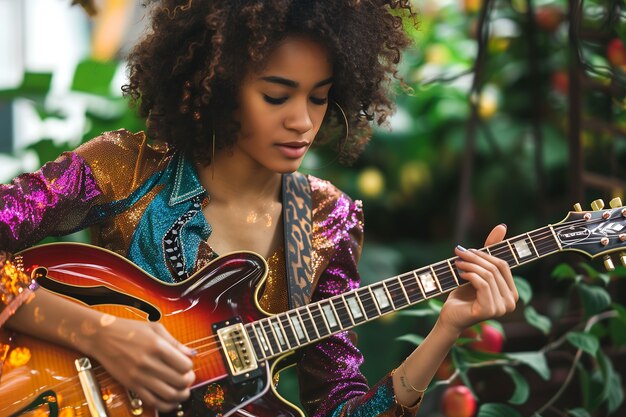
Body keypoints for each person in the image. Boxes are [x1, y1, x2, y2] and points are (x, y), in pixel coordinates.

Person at [0, 1, 519, 416]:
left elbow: (337, 407)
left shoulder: (324, 219)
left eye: (318, 98)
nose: (302, 122)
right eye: (277, 96)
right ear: (219, 86)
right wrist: (99, 334)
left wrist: (447, 328)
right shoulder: (122, 169)